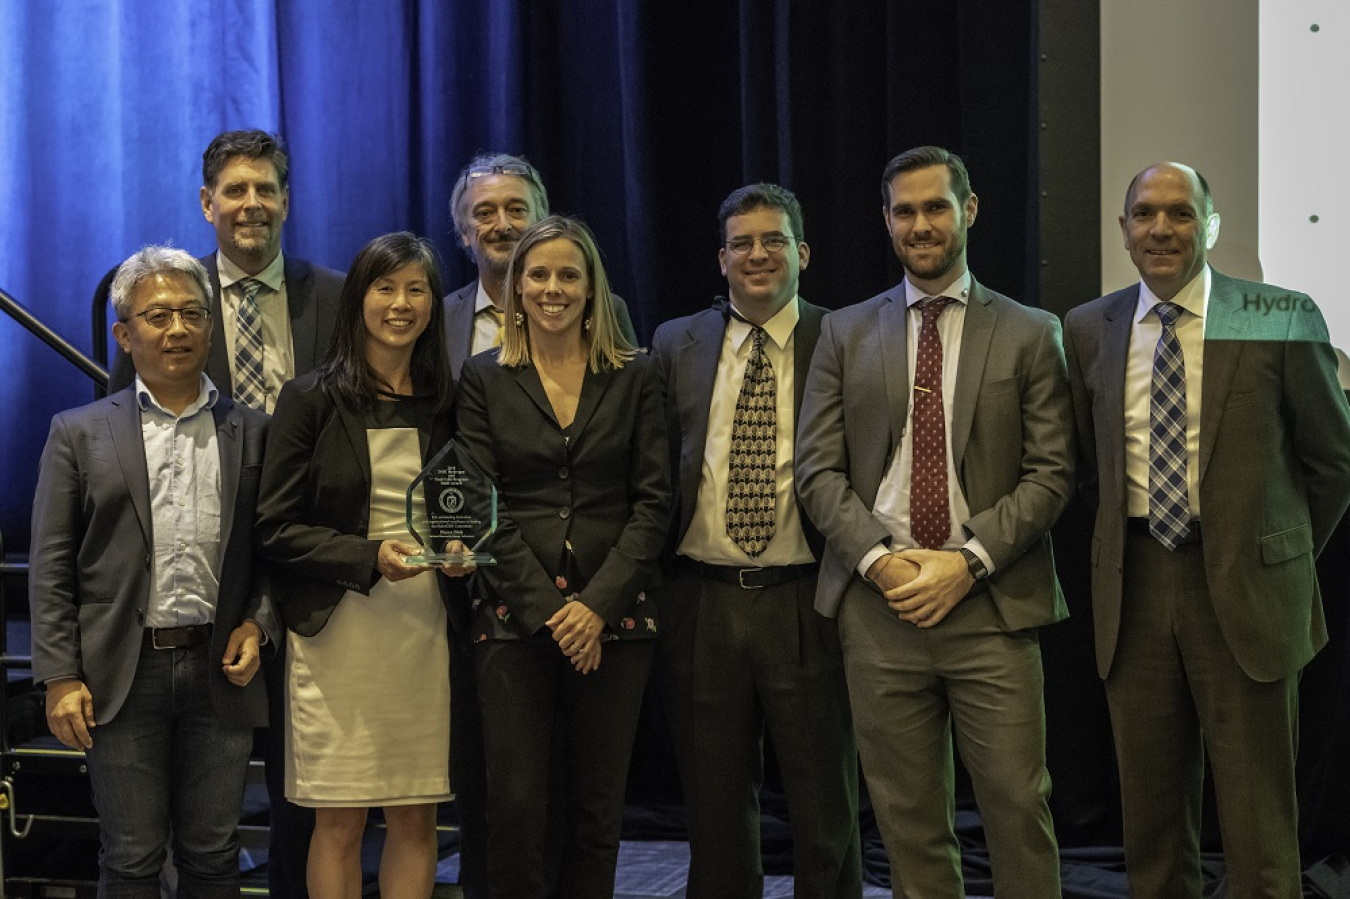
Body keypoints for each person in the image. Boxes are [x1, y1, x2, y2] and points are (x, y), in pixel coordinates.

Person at [1063, 162, 1350, 898]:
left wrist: (1273, 555)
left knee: (1259, 828)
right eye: (1146, 213)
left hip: (1247, 593)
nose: (1162, 228)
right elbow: (1089, 467)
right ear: (1123, 230)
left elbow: (1333, 460)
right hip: (1134, 588)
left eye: (1182, 214)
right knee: (1152, 825)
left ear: (1211, 226)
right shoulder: (1088, 327)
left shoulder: (1276, 313)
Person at [796, 146, 1073, 898]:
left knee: (1018, 806)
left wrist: (968, 562)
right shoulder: (845, 332)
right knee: (906, 817)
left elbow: (1051, 474)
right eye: (905, 211)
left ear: (969, 209)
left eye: (936, 207)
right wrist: (884, 562)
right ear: (887, 221)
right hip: (879, 607)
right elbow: (815, 472)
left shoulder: (1029, 330)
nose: (922, 225)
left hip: (990, 604)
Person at [102, 128, 343, 898]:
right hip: (204, 581)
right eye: (234, 191)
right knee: (193, 826)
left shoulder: (337, 297)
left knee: (305, 795)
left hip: (308, 575)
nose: (251, 205)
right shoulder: (160, 297)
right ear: (207, 203)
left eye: (265, 189)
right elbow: (122, 428)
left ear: (286, 201)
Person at [30, 245, 275, 896]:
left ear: (211, 325)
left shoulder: (254, 431)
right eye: (158, 315)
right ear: (124, 333)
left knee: (214, 853)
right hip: (120, 672)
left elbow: (275, 547)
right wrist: (58, 676)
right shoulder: (78, 432)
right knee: (133, 855)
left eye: (192, 313)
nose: (177, 329)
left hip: (220, 669)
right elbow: (51, 562)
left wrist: (260, 621)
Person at [650, 183, 863, 898]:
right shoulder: (675, 341)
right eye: (741, 243)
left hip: (808, 598)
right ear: (721, 258)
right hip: (701, 600)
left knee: (823, 803)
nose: (757, 254)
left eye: (773, 240)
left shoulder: (846, 337)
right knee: (713, 808)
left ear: (802, 252)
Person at [454, 215, 669, 898]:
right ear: (515, 287)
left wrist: (593, 608)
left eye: (568, 274)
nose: (553, 287)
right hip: (512, 619)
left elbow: (655, 502)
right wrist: (554, 613)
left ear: (592, 288)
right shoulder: (484, 378)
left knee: (597, 808)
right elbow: (481, 506)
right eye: (538, 274)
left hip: (617, 619)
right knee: (515, 805)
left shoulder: (638, 374)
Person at [255, 232, 461, 898]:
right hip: (337, 632)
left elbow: (460, 503)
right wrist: (368, 555)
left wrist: (459, 549)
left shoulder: (447, 400)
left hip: (425, 630)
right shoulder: (310, 398)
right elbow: (274, 528)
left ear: (432, 301)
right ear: (358, 299)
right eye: (384, 287)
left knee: (415, 814)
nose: (401, 303)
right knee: (338, 821)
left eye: (416, 288)